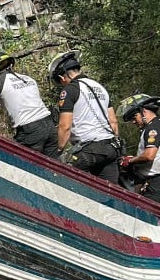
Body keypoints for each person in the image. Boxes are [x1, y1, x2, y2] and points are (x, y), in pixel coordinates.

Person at [48, 50, 122, 183]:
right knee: (110, 193)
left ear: (62, 77)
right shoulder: (100, 87)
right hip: (111, 148)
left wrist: (58, 150)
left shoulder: (70, 90)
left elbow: (65, 127)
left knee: (60, 177)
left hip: (90, 151)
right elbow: (113, 122)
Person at [117, 93, 160, 205]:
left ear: (143, 111)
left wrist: (130, 160)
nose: (133, 122)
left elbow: (149, 155)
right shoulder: (159, 124)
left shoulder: (153, 128)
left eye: (134, 117)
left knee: (146, 216)